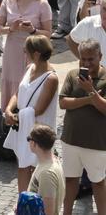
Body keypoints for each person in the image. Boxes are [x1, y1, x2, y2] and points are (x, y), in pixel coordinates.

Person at [3, 34, 59, 191]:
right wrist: (8, 109)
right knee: (22, 165)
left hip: (39, 129)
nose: (24, 53)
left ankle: (36, 204)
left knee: (37, 168)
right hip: (23, 125)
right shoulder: (29, 68)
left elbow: (40, 109)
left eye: (25, 51)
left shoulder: (51, 78)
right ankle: (22, 202)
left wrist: (16, 116)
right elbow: (17, 93)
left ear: (36, 54)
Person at [59, 39, 106, 215]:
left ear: (100, 57)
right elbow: (63, 102)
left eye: (90, 59)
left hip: (96, 143)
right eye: (83, 59)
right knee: (70, 180)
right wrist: (89, 99)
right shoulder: (72, 75)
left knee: (98, 182)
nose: (86, 63)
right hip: (71, 139)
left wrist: (90, 91)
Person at [26, 124, 65, 215]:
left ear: (34, 143)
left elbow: (48, 211)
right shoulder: (52, 160)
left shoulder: (46, 174)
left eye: (29, 139)